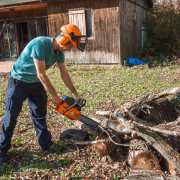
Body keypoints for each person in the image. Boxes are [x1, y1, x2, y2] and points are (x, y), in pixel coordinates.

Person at [0, 24, 88, 166]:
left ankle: (45, 144)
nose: (70, 49)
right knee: (10, 116)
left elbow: (64, 74)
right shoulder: (39, 44)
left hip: (35, 83)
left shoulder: (59, 53)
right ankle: (2, 149)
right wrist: (54, 95)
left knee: (39, 114)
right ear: (63, 39)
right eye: (70, 45)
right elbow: (41, 74)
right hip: (19, 81)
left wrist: (76, 94)